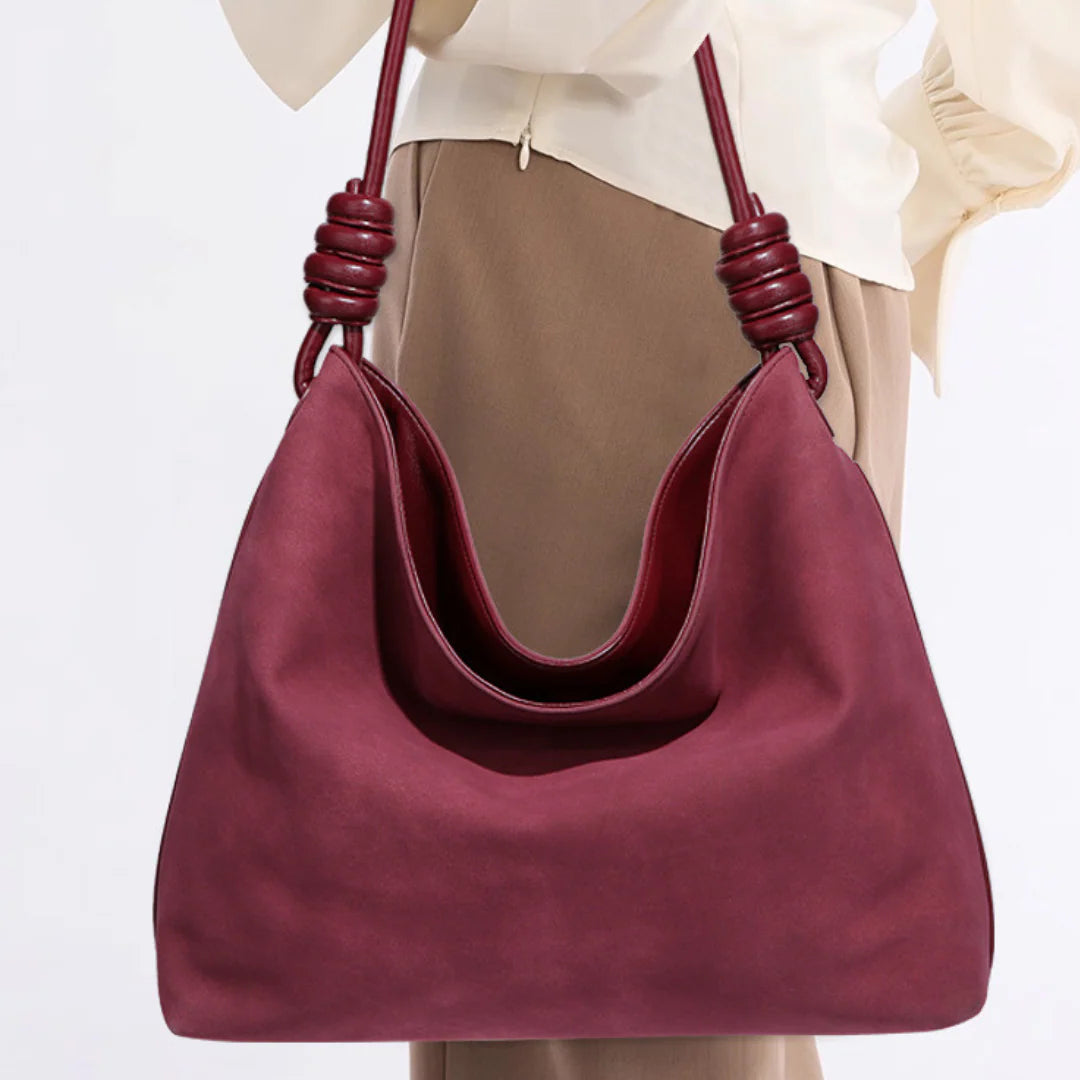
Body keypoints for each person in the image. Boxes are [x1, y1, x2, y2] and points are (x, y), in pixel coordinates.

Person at [217, 2, 1080, 1078]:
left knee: (621, 938)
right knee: (584, 929)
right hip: (592, 221)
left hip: (669, 236)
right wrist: (849, 166)